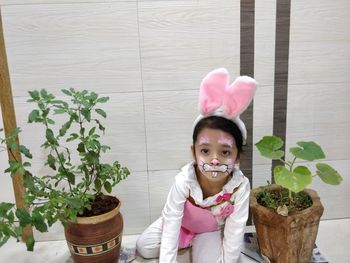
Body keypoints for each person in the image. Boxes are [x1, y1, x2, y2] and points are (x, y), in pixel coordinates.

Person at [136, 68, 257, 263]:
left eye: (225, 152)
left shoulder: (240, 186)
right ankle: (186, 239)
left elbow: (235, 232)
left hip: (207, 231)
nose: (214, 160)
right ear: (194, 152)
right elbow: (172, 220)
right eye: (205, 151)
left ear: (237, 158)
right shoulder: (184, 180)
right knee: (145, 247)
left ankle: (197, 242)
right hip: (180, 224)